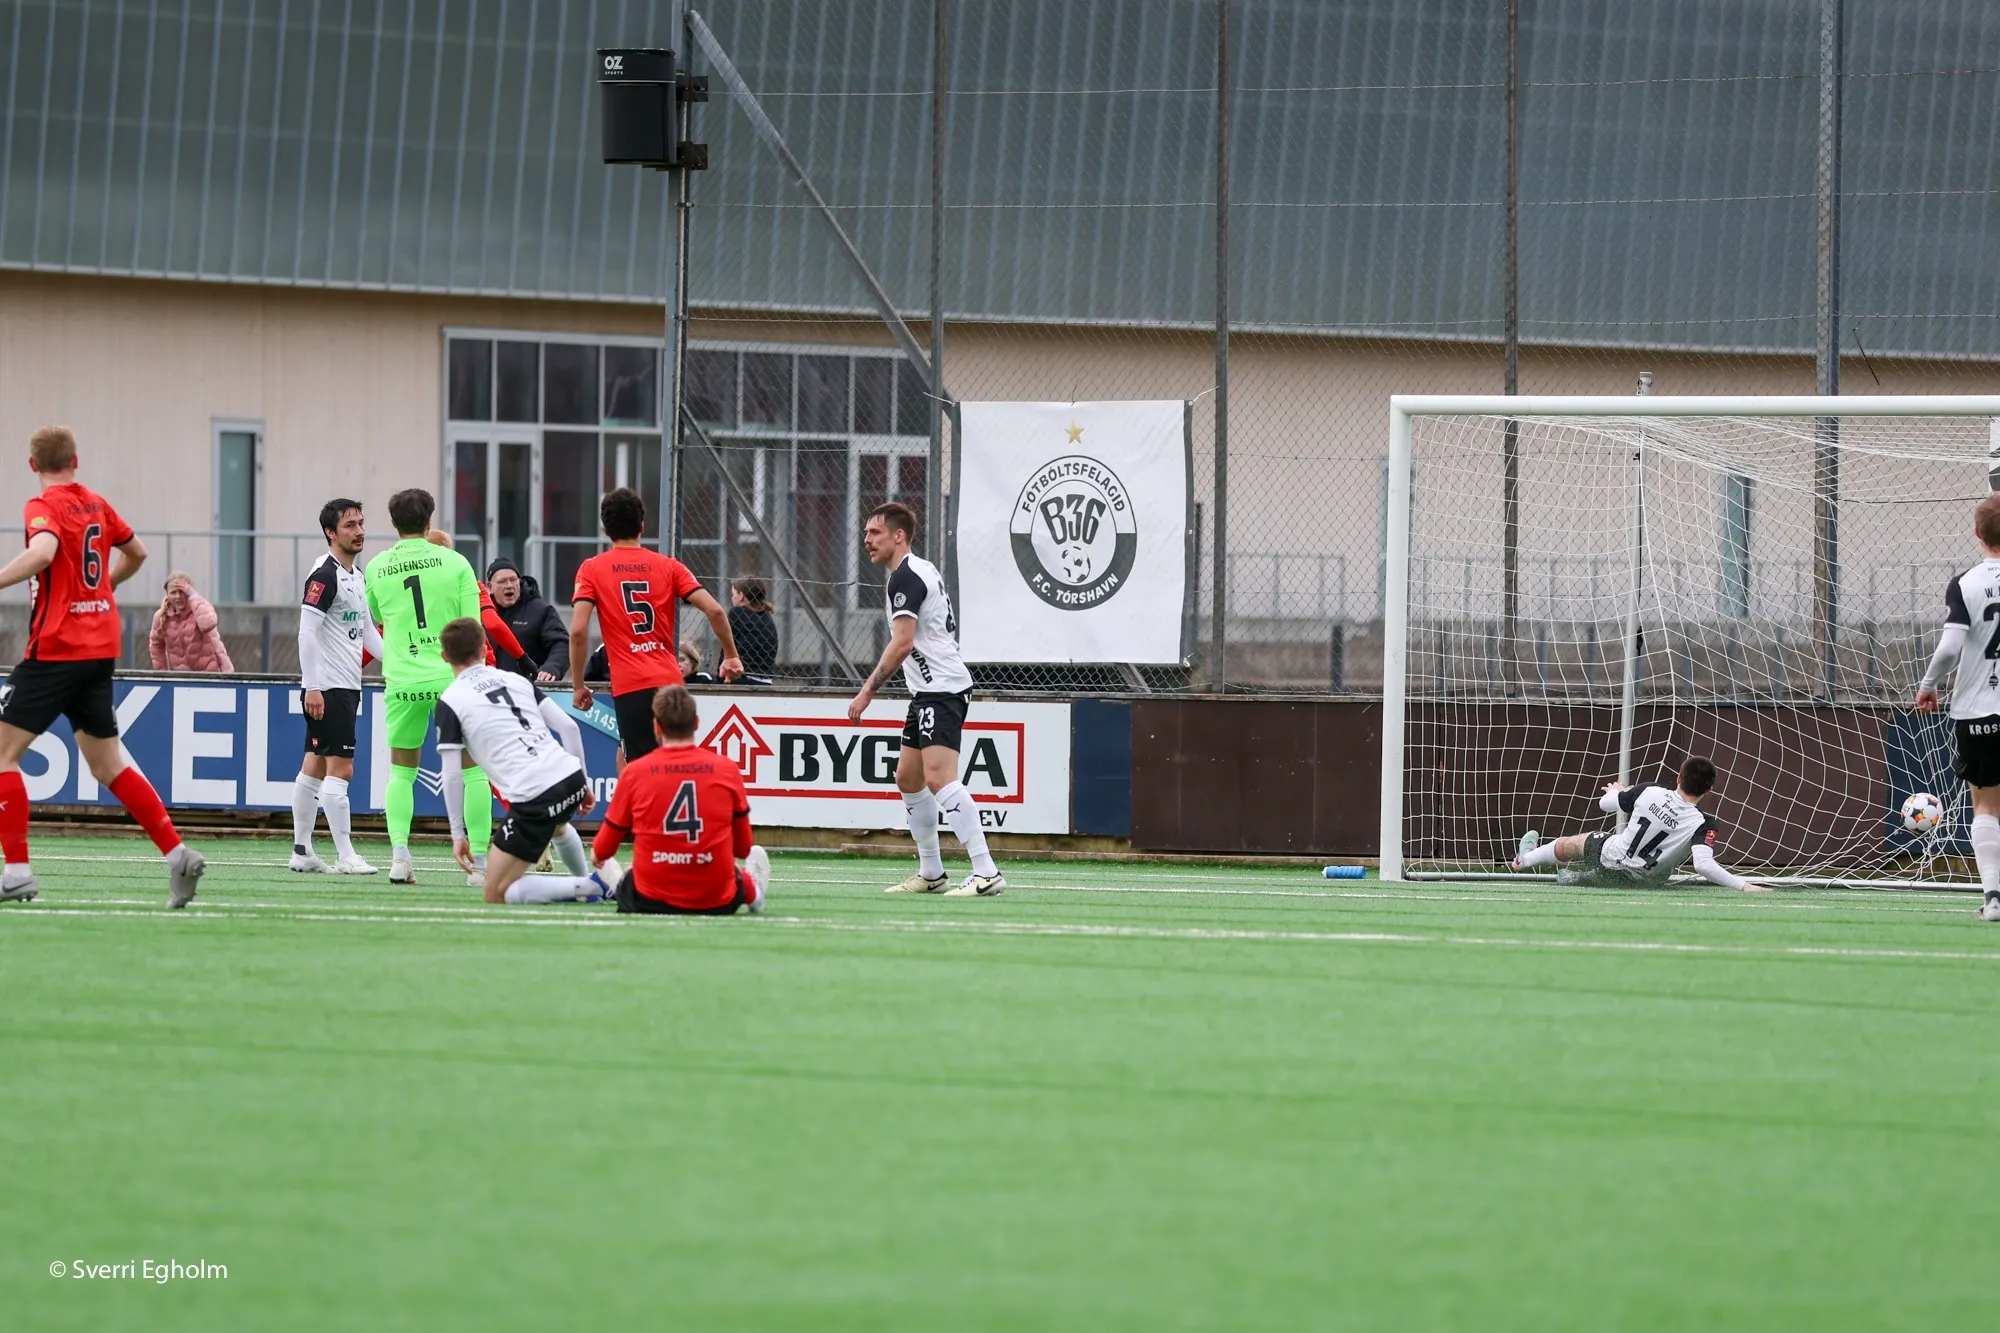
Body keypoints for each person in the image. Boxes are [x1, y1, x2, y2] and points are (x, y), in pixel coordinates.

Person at [0, 425, 205, 907]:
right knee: (108, 764)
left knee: (3, 755)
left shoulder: (42, 506)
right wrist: (103, 588)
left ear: (32, 466)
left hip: (57, 647)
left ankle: (17, 872)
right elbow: (137, 553)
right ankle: (177, 854)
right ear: (75, 460)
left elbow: (43, 551)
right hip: (98, 648)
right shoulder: (95, 503)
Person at [845, 502, 1004, 897]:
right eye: (866, 533)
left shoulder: (906, 577)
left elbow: (902, 644)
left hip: (942, 689)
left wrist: (866, 692)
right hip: (927, 692)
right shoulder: (915, 570)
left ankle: (986, 871)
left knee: (939, 779)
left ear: (898, 535)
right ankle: (932, 872)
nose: (867, 540)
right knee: (908, 778)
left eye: (875, 533)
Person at [432, 618, 617, 904]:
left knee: (495, 892)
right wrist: (583, 782)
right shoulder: (516, 679)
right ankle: (585, 889)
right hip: (568, 776)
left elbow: (452, 774)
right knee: (557, 826)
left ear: (445, 657)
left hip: (535, 795)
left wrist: (458, 834)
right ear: (484, 648)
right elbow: (569, 728)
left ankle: (591, 886)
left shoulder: (450, 700)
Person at [362, 489, 489, 886]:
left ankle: (400, 858)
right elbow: (473, 627)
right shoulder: (456, 562)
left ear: (394, 523)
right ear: (430, 520)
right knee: (473, 771)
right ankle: (480, 866)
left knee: (401, 771)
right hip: (453, 679)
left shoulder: (377, 567)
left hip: (404, 680)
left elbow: (377, 615)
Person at [568, 487, 741, 765]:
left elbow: (578, 632)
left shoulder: (591, 569)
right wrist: (731, 655)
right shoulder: (669, 566)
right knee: (676, 764)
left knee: (641, 768)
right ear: (642, 526)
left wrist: (578, 686)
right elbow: (715, 610)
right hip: (670, 685)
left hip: (631, 687)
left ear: (605, 530)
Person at [593, 684, 769, 915]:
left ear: (656, 727)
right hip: (716, 900)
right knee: (732, 870)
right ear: (696, 723)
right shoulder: (727, 769)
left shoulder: (635, 772)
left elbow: (602, 849)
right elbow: (744, 848)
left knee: (618, 868)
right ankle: (753, 892)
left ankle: (619, 885)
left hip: (649, 900)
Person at [1916, 492, 2000, 922]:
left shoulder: (1965, 583)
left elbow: (1950, 647)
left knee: (1985, 805)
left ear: (1977, 533)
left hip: (1978, 710)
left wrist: (1928, 685)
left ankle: (1993, 899)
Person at [289, 498, 383, 874]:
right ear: (331, 533)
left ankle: (302, 851)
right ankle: (346, 856)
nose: (359, 531)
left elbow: (367, 632)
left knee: (314, 765)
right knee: (341, 770)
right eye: (350, 525)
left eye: (361, 523)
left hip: (343, 685)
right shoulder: (324, 575)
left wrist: (399, 665)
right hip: (329, 688)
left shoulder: (355, 576)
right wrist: (312, 686)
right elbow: (306, 632)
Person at [1509, 756, 1767, 892]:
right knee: (1632, 873)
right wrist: (1743, 885)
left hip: (1611, 860)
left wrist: (1617, 790)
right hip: (1648, 881)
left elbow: (1604, 805)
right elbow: (1703, 865)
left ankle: (1525, 860)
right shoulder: (1704, 823)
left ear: (1678, 778)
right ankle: (1580, 879)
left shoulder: (1649, 791)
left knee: (1575, 843)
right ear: (1709, 790)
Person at [485, 557, 567, 681]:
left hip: (529, 687)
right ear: (489, 587)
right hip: (488, 687)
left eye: (513, 580)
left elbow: (561, 644)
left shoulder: (541, 611)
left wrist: (552, 667)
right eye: (502, 581)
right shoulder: (482, 613)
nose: (509, 585)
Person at [149, 572, 233, 671]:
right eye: (173, 592)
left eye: (182, 591)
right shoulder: (161, 617)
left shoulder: (200, 607)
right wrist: (163, 674)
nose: (178, 596)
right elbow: (156, 646)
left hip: (214, 672)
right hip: (185, 676)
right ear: (167, 595)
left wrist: (193, 595)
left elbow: (208, 624)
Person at [728, 576, 778, 682]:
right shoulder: (766, 615)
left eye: (733, 594)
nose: (732, 598)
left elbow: (728, 645)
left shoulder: (737, 612)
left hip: (743, 676)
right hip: (766, 678)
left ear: (741, 596)